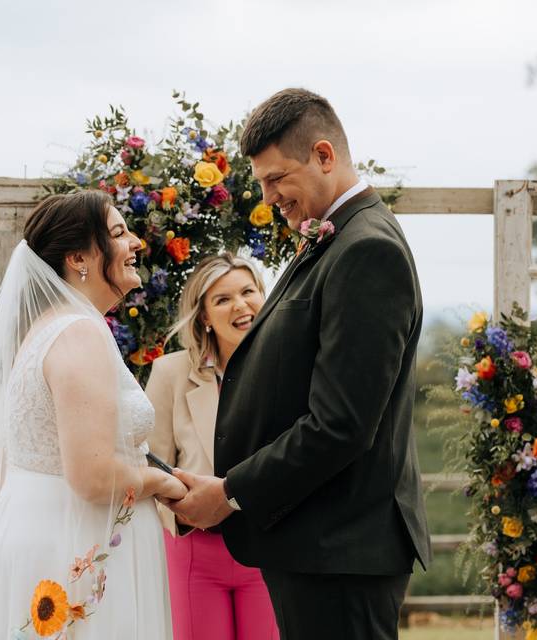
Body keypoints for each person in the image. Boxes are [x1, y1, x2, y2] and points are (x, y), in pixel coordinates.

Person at [167, 88, 432, 640]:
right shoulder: (334, 240)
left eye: (275, 179)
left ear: (324, 156)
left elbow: (341, 423)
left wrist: (230, 491)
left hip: (341, 550)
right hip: (318, 545)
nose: (267, 196)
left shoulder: (367, 250)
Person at [0, 191, 185, 640]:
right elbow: (92, 477)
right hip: (69, 540)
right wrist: (166, 483)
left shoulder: (45, 328)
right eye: (117, 233)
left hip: (38, 528)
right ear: (78, 258)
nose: (134, 242)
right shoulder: (78, 333)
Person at [145, 253, 279, 640]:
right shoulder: (170, 372)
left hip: (267, 549)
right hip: (194, 551)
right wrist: (184, 516)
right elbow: (152, 462)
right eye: (222, 299)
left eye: (247, 292)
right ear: (204, 315)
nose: (240, 305)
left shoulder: (286, 369)